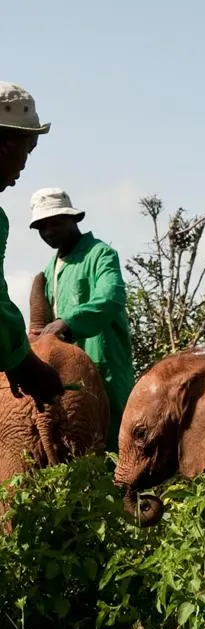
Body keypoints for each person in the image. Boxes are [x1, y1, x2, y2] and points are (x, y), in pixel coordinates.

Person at [29, 188, 134, 450]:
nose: (48, 232)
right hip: (65, 370)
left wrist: (68, 322)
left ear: (73, 219)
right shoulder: (50, 268)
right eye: (42, 227)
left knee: (113, 438)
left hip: (104, 363)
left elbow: (110, 297)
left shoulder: (100, 254)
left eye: (55, 223)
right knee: (73, 439)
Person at [0, 81, 64, 411]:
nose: (27, 162)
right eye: (30, 145)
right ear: (5, 144)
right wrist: (23, 363)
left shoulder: (98, 255)